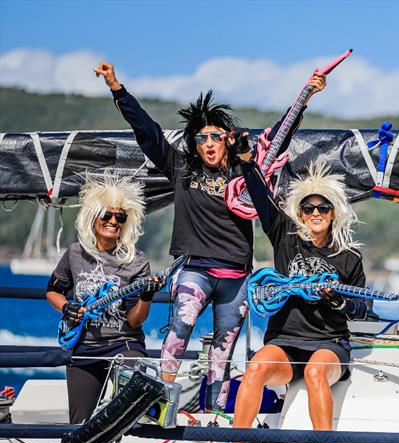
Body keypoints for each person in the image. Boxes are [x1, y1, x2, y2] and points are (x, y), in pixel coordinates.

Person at [94, 62, 324, 410]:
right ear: (194, 142)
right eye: (202, 137)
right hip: (195, 269)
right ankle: (158, 406)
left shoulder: (244, 170)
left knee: (223, 350)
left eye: (216, 135)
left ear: (227, 141)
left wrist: (306, 95)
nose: (209, 143)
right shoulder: (181, 168)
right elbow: (147, 131)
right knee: (180, 329)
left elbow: (277, 138)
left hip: (236, 276)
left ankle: (214, 417)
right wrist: (116, 88)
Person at [215, 154, 367, 443]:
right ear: (299, 213)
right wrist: (245, 162)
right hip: (285, 342)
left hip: (329, 343)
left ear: (334, 213)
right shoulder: (286, 236)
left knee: (315, 372)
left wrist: (337, 299)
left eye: (323, 208)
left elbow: (362, 308)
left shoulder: (349, 256)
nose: (315, 214)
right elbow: (259, 195)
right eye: (309, 208)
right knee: (254, 368)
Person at [46, 173, 165, 424]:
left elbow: (135, 322)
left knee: (128, 413)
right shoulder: (75, 253)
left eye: (120, 216)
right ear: (93, 217)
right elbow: (53, 291)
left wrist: (146, 296)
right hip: (84, 346)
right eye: (107, 215)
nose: (113, 221)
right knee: (79, 424)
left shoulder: (138, 261)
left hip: (124, 344)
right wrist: (66, 308)